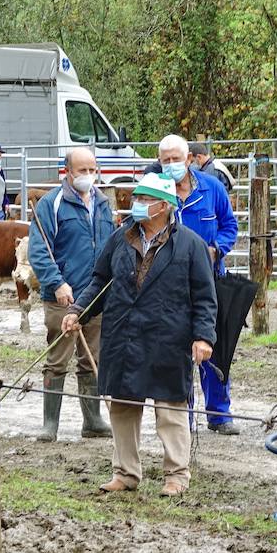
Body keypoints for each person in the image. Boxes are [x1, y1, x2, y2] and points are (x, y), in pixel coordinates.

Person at [62, 173, 216, 497]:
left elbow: (205, 296)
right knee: (122, 406)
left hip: (168, 337)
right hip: (124, 334)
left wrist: (204, 337)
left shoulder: (190, 245)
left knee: (171, 409)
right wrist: (78, 310)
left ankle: (176, 476)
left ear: (164, 206)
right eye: (137, 199)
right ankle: (125, 473)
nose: (138, 204)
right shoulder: (120, 239)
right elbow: (99, 281)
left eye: (145, 200)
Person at [27, 146, 116, 441]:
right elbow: (39, 251)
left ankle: (92, 421)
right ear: (68, 172)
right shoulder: (51, 205)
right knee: (57, 358)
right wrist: (57, 283)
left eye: (92, 170)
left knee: (93, 359)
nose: (88, 176)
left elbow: (110, 246)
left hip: (95, 297)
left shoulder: (103, 203)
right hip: (62, 298)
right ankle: (49, 423)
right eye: (82, 170)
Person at [158, 134, 241, 434]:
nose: (170, 165)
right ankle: (184, 416)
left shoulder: (212, 188)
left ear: (190, 159)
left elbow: (230, 225)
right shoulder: (156, 192)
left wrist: (216, 248)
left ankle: (219, 413)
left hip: (210, 282)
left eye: (175, 159)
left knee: (213, 346)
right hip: (171, 286)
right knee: (176, 350)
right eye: (164, 161)